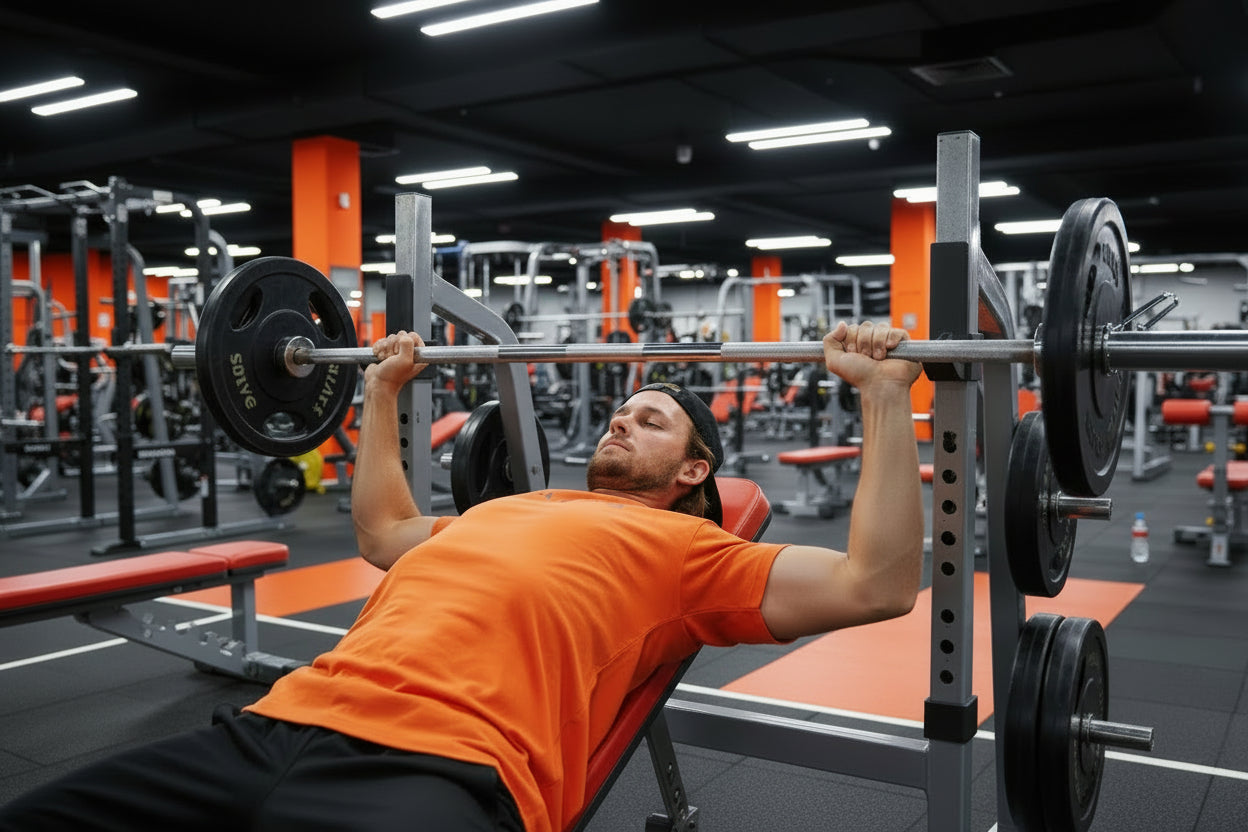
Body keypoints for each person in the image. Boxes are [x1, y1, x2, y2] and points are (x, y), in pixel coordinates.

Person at [0, 321, 924, 832]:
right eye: (619, 413)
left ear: (694, 473)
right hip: (274, 723)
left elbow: (875, 582)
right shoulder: (502, 511)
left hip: (441, 769)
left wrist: (882, 397)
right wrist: (378, 390)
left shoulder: (696, 556)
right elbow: (382, 529)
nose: (617, 425)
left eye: (648, 422)